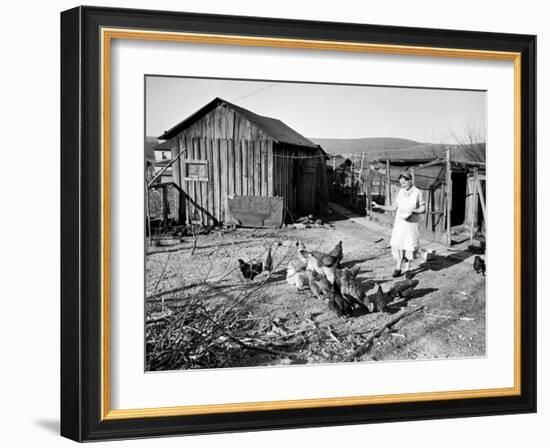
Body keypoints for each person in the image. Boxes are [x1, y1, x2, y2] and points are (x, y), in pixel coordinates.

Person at [372, 171, 426, 277]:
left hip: (411, 223)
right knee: (398, 245)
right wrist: (379, 206)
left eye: (404, 183)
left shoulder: (417, 192)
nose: (403, 185)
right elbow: (393, 207)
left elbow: (423, 208)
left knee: (409, 246)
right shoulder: (400, 192)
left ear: (410, 181)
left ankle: (408, 269)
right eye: (401, 183)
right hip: (400, 223)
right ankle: (398, 267)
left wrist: (414, 211)